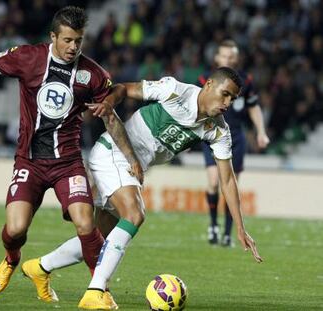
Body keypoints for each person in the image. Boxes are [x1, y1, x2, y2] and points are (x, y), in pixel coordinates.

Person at [0, 6, 143, 305]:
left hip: (68, 163)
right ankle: (11, 258)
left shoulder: (92, 74)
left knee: (86, 224)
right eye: (68, 40)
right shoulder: (28, 58)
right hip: (29, 162)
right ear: (53, 37)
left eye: (79, 41)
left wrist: (131, 157)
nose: (73, 47)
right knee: (16, 229)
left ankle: (99, 292)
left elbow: (111, 117)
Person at [23, 67, 263, 310]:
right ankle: (95, 291)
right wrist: (108, 103)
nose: (227, 103)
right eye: (225, 94)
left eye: (232, 98)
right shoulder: (174, 91)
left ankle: (40, 267)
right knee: (134, 214)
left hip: (130, 170)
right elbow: (125, 89)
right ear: (209, 84)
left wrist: (240, 228)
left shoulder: (219, 131)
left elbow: (228, 180)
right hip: (113, 152)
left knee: (101, 238)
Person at [198, 40, 270, 246]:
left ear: (236, 59)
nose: (228, 60)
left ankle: (228, 235)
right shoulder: (206, 80)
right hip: (211, 136)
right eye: (224, 56)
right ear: (217, 58)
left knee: (231, 185)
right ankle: (213, 226)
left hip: (236, 138)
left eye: (231, 57)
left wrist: (261, 132)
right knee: (213, 182)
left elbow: (253, 107)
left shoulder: (245, 81)